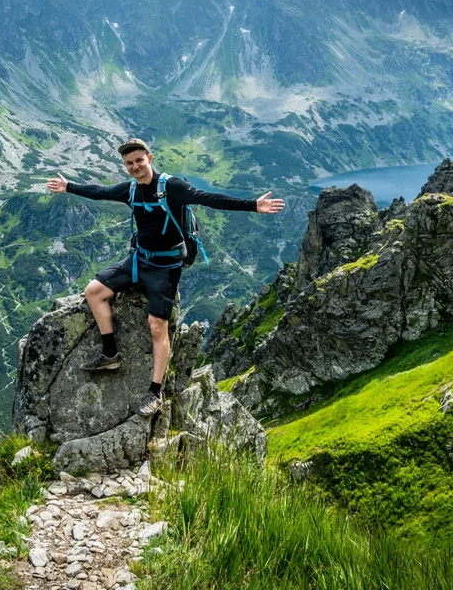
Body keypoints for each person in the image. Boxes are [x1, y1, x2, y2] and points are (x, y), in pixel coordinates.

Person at [45, 138, 285, 416]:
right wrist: (68, 187)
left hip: (165, 267)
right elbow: (101, 191)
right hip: (139, 259)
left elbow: (208, 198)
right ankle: (110, 355)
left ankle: (155, 391)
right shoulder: (131, 190)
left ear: (150, 157)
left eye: (139, 160)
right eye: (129, 163)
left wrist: (253, 205)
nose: (135, 166)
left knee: (157, 326)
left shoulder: (171, 187)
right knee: (94, 291)